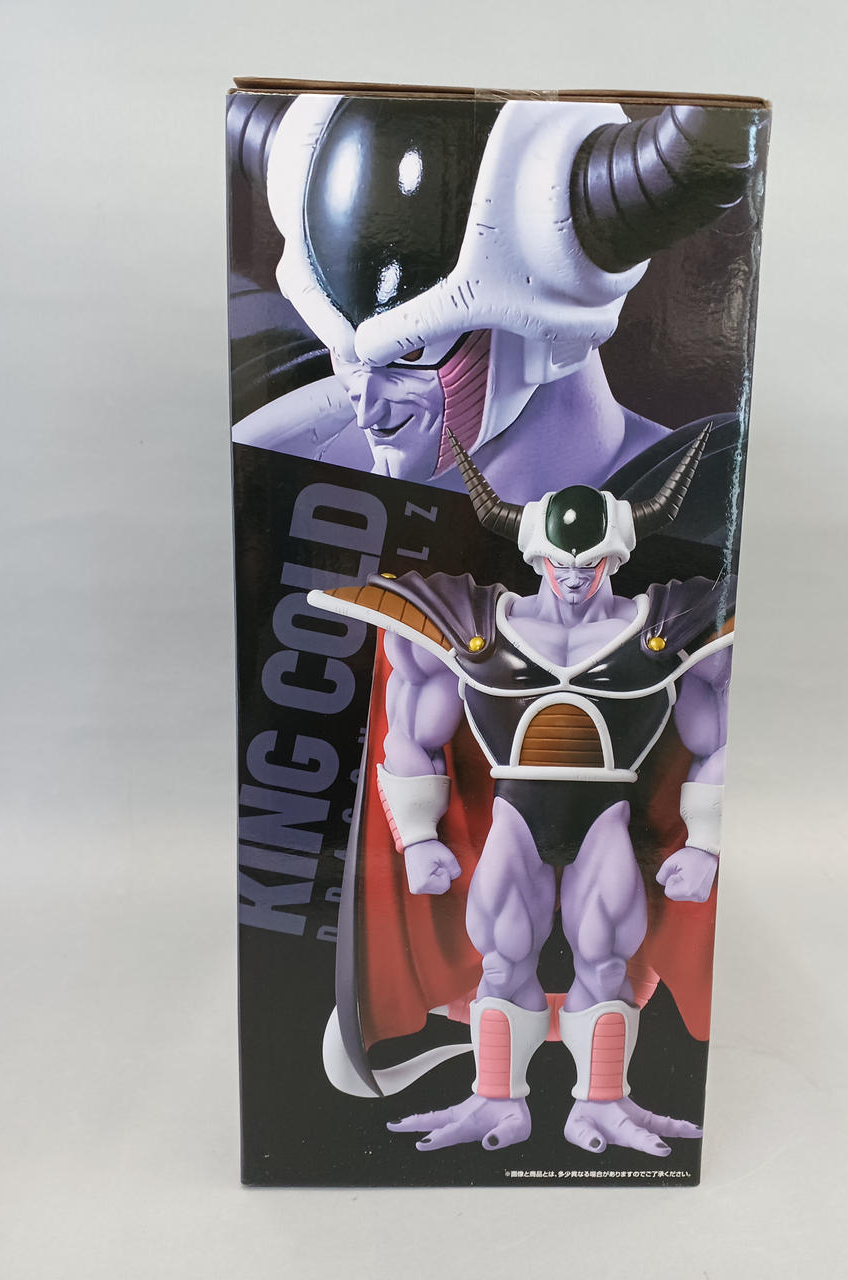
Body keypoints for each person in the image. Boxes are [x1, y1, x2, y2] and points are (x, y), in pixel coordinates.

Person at [310, 429, 733, 1154]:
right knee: (502, 962)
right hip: (513, 818)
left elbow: (717, 737)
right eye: (561, 562)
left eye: (592, 563)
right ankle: (496, 1100)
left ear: (617, 557)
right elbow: (410, 729)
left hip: (606, 820)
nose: (574, 577)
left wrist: (705, 844)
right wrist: (417, 837)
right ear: (536, 556)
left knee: (606, 961)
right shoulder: (471, 627)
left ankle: (601, 1104)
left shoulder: (665, 630)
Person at [230, 93, 758, 501]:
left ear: (552, 337)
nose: (366, 410)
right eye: (345, 354)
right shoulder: (280, 439)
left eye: (413, 353)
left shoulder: (702, 499)